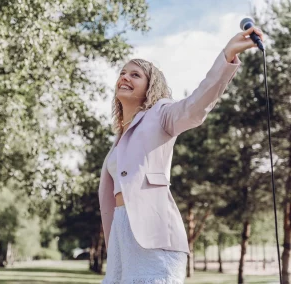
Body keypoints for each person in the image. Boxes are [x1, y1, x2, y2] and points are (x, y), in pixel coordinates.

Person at [99, 26, 264, 283]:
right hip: (123, 241)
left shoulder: (161, 114)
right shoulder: (119, 138)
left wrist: (227, 56)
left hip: (155, 239)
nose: (125, 77)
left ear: (150, 86)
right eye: (122, 73)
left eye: (135, 74)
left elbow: (195, 106)